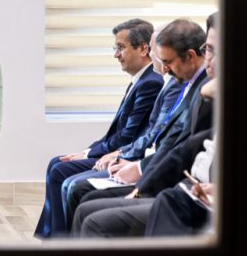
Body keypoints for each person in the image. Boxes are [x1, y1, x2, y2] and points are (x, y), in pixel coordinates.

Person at [71, 16, 216, 237]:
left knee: (88, 208)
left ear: (189, 56)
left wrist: (140, 176)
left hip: (178, 186)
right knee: (80, 197)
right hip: (169, 178)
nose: (164, 69)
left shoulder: (202, 89)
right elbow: (171, 141)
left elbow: (179, 146)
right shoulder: (187, 84)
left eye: (168, 62)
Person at [33, 19, 163, 238]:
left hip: (127, 155)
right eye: (115, 48)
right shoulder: (140, 80)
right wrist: (86, 151)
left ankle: (59, 240)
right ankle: (54, 238)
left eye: (120, 47)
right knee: (56, 163)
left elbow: (126, 137)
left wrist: (89, 154)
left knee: (60, 171)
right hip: (119, 150)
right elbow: (115, 133)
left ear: (143, 49)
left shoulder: (151, 82)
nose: (116, 55)